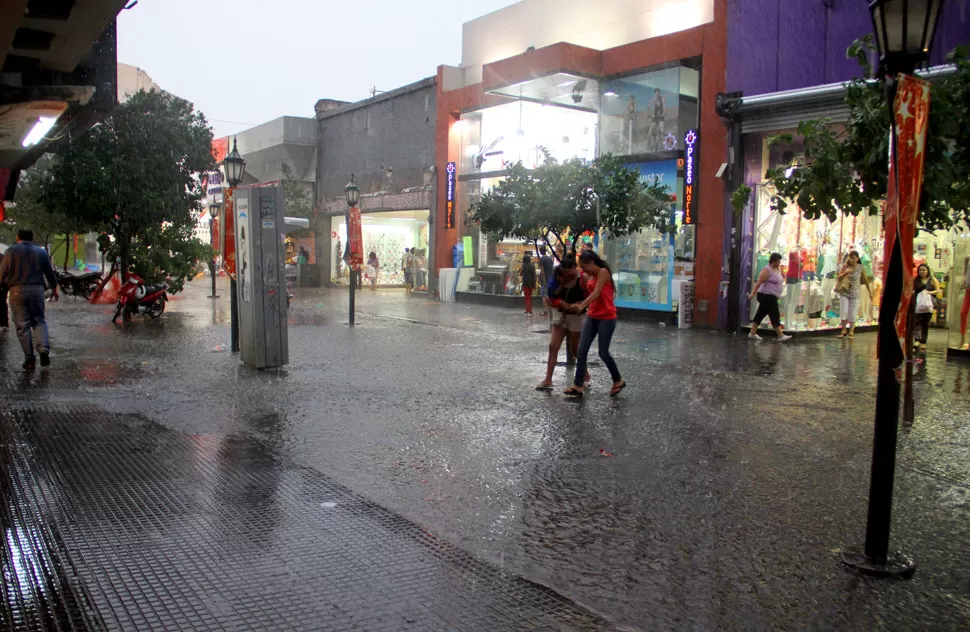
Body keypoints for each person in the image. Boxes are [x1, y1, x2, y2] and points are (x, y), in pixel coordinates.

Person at [563, 251, 625, 398]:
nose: (583, 270)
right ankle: (578, 385)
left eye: (584, 267)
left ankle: (618, 380)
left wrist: (581, 306)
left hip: (607, 317)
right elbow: (590, 292)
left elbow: (597, 293)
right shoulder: (590, 275)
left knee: (603, 352)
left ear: (591, 262)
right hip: (593, 316)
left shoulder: (603, 272)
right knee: (581, 350)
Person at [0, 229, 59, 370]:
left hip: (16, 291)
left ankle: (30, 359)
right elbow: (49, 273)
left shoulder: (10, 252)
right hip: (37, 290)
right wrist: (54, 289)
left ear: (17, 237)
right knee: (39, 320)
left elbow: (2, 273)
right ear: (32, 238)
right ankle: (43, 348)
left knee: (22, 325)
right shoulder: (41, 252)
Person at [536, 258, 588, 390]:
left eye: (570, 272)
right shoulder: (556, 278)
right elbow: (551, 297)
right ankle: (548, 379)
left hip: (577, 316)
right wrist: (564, 305)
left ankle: (585, 374)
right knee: (553, 346)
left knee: (575, 349)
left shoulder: (582, 279)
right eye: (565, 274)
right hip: (561, 315)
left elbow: (590, 297)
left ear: (574, 268)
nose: (567, 276)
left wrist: (580, 305)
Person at [748, 252, 792, 342]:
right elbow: (759, 282)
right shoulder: (766, 270)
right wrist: (753, 293)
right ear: (773, 261)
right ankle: (780, 335)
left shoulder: (776, 269)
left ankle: (752, 333)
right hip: (766, 295)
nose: (779, 263)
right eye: (778, 261)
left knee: (761, 313)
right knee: (774, 313)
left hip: (771, 296)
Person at [835, 250, 873, 339]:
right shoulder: (845, 266)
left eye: (853, 258)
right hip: (845, 291)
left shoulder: (860, 268)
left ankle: (851, 331)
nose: (851, 260)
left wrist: (870, 292)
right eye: (850, 257)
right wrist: (846, 272)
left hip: (855, 293)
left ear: (857, 259)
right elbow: (838, 277)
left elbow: (866, 280)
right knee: (844, 311)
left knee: (853, 312)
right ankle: (843, 330)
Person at [912, 263, 942, 350]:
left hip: (928, 304)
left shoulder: (932, 280)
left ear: (927, 270)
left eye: (924, 270)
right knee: (917, 322)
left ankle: (923, 342)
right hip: (918, 303)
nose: (922, 271)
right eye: (920, 270)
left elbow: (937, 290)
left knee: (925, 323)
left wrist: (928, 292)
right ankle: (917, 340)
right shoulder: (916, 280)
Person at [538, 245, 555, 314]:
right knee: (549, 294)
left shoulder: (542, 259)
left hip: (545, 279)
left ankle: (545, 311)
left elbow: (542, 271)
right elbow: (552, 268)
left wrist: (541, 278)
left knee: (543, 295)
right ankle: (550, 309)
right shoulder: (550, 258)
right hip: (551, 278)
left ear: (540, 251)